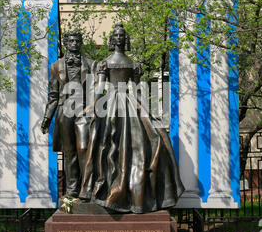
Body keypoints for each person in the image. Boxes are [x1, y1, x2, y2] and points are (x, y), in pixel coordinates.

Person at [79, 22, 185, 213]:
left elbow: (136, 90)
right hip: (110, 104)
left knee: (151, 139)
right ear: (112, 39)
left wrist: (144, 107)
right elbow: (99, 87)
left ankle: (135, 193)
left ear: (125, 39)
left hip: (128, 102)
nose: (119, 38)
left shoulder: (133, 64)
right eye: (116, 35)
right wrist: (92, 105)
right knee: (105, 144)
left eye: (122, 35)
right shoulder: (105, 62)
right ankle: (100, 189)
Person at [41, 31, 93, 197]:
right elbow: (53, 95)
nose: (74, 43)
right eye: (71, 41)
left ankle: (87, 187)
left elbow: (94, 91)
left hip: (84, 110)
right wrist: (47, 118)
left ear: (80, 42)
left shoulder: (91, 65)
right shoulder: (56, 67)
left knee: (84, 148)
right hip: (65, 111)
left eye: (77, 40)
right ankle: (72, 189)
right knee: (69, 152)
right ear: (65, 43)